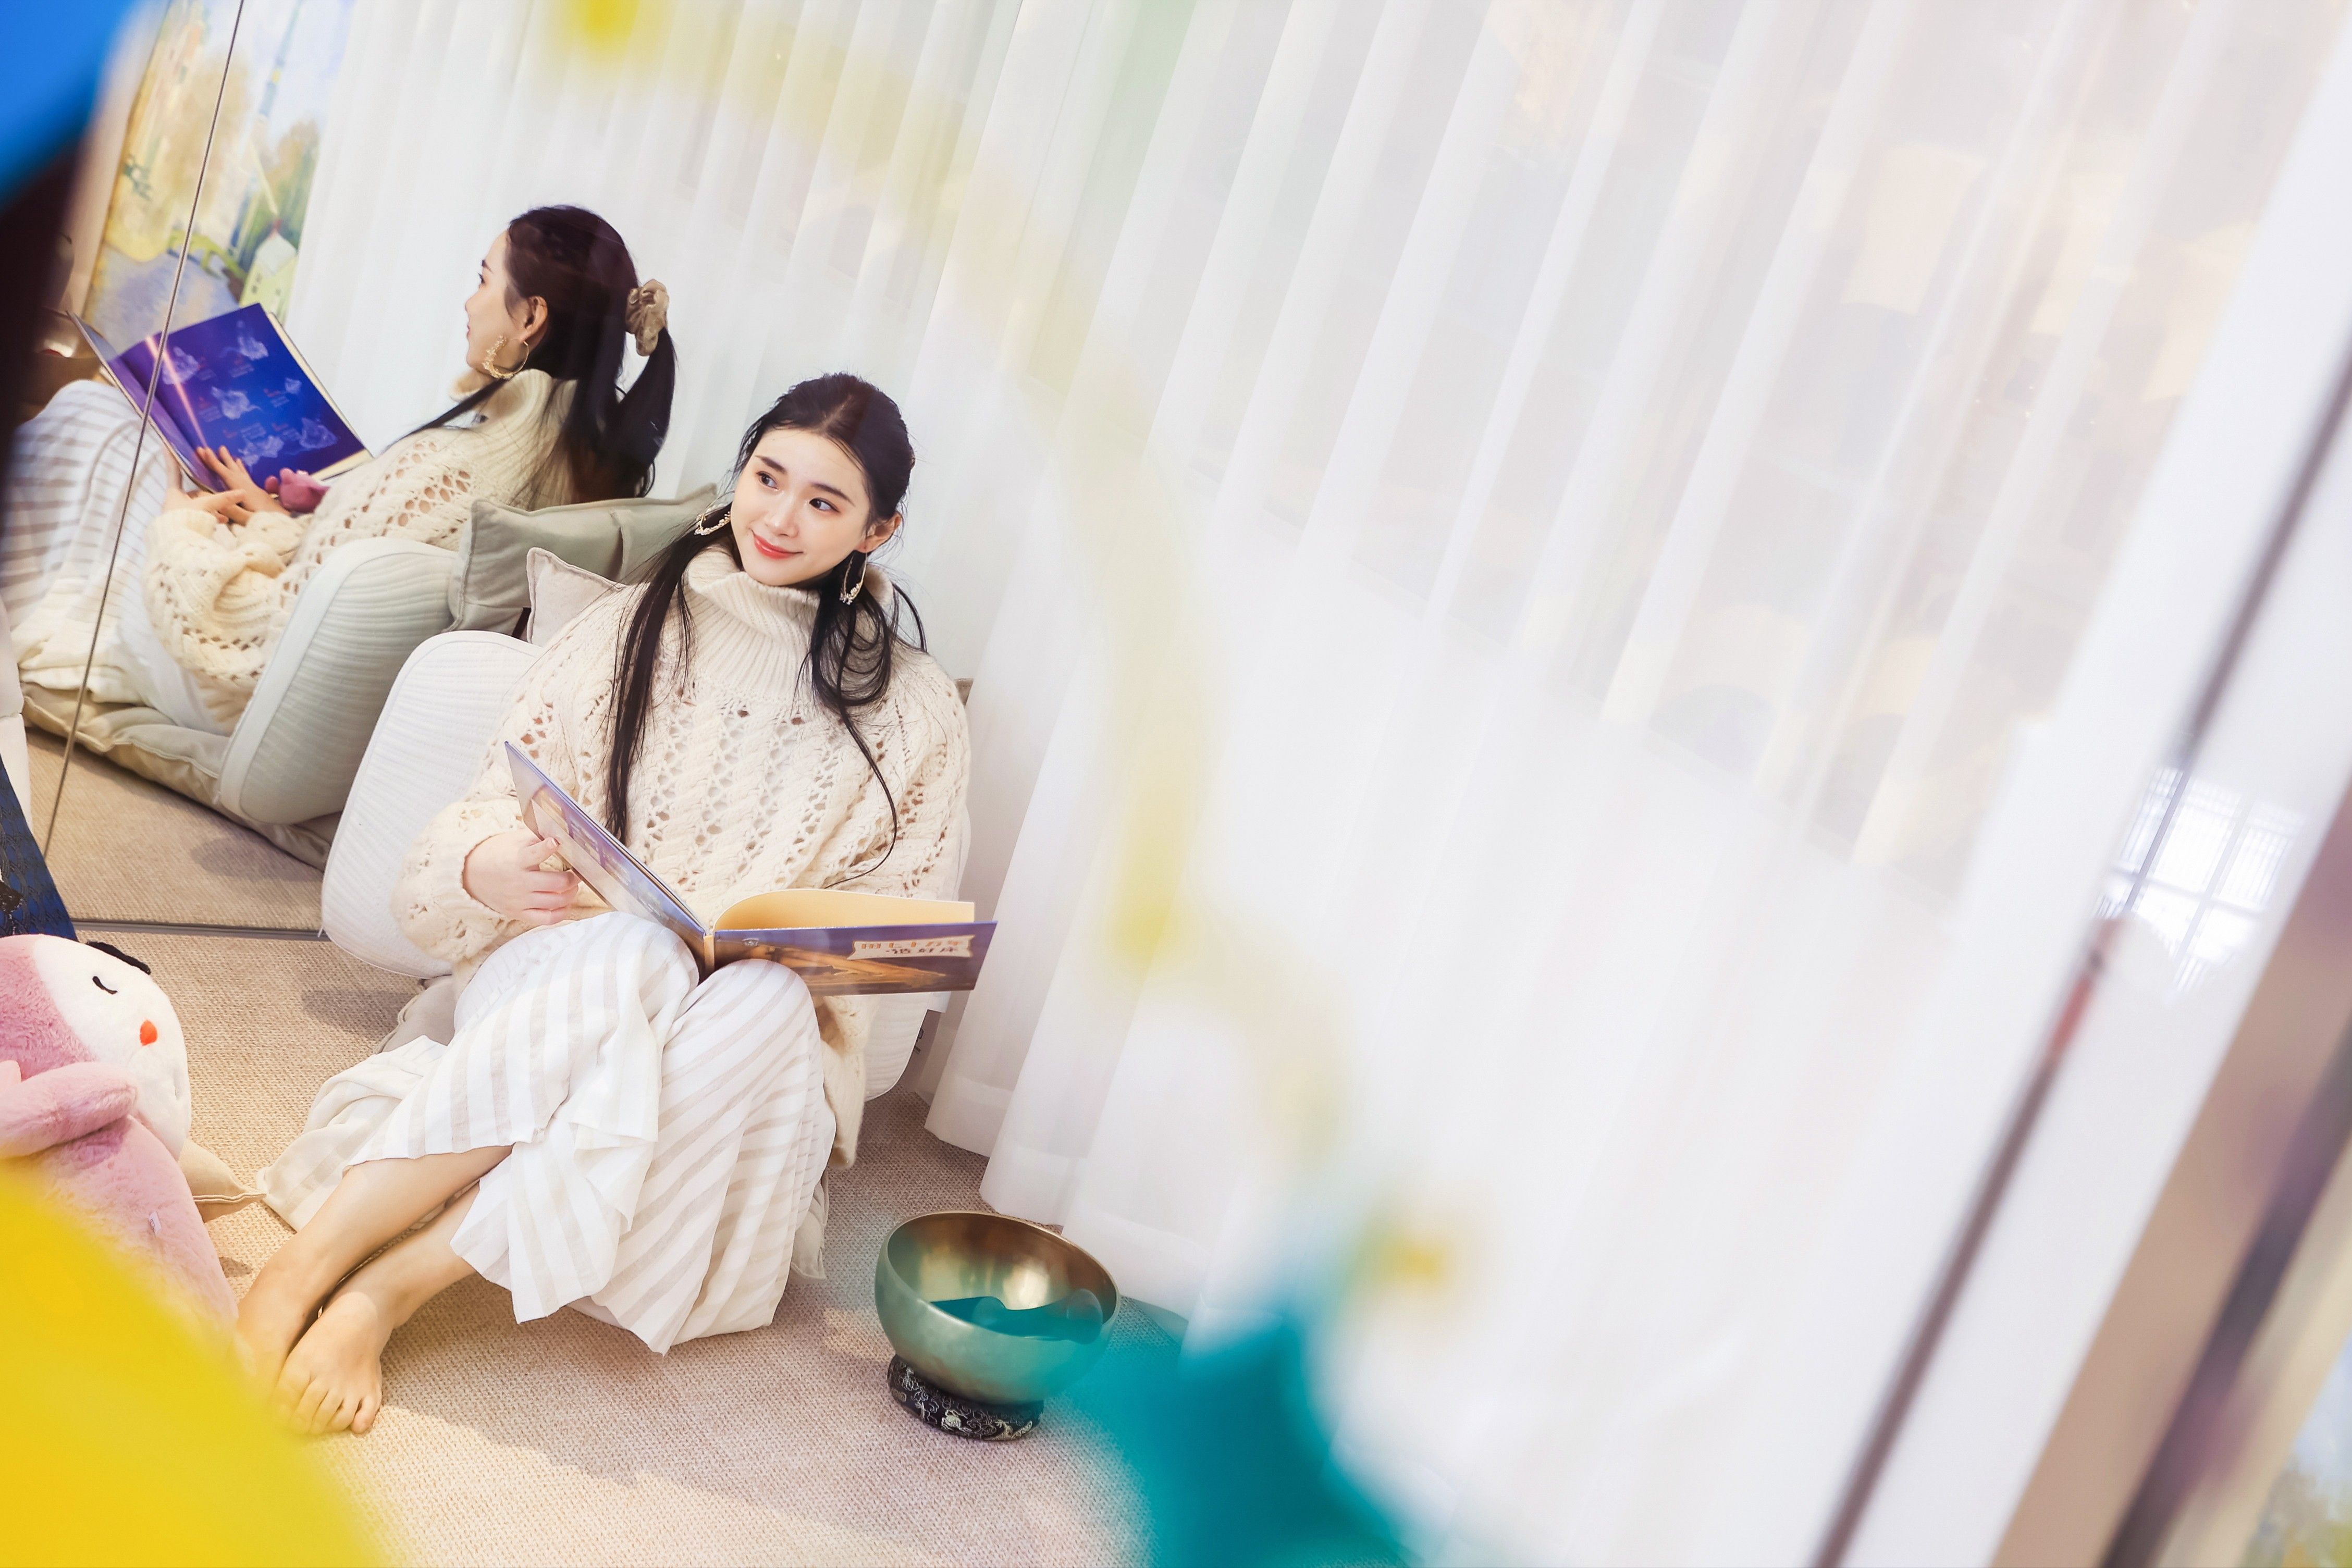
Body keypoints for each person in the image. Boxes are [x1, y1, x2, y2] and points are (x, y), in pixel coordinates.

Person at [237, 375, 970, 1435]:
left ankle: (384, 1291)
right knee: (638, 953)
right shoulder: (628, 628)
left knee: (758, 999)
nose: (779, 516)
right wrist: (489, 864)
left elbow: (898, 935)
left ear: (877, 530)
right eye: (768, 477)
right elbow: (482, 813)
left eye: (823, 501)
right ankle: (301, 1271)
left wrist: (793, 958)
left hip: (744, 1049)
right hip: (570, 979)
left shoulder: (917, 709)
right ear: (738, 473)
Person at [2, 205, 675, 736]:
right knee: (136, 443)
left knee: (104, 420)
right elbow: (346, 590)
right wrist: (275, 519)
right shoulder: (588, 470)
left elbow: (256, 634)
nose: (469, 303)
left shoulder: (457, 467)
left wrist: (180, 529)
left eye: (482, 280)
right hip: (312, 693)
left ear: (530, 317)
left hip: (231, 687)